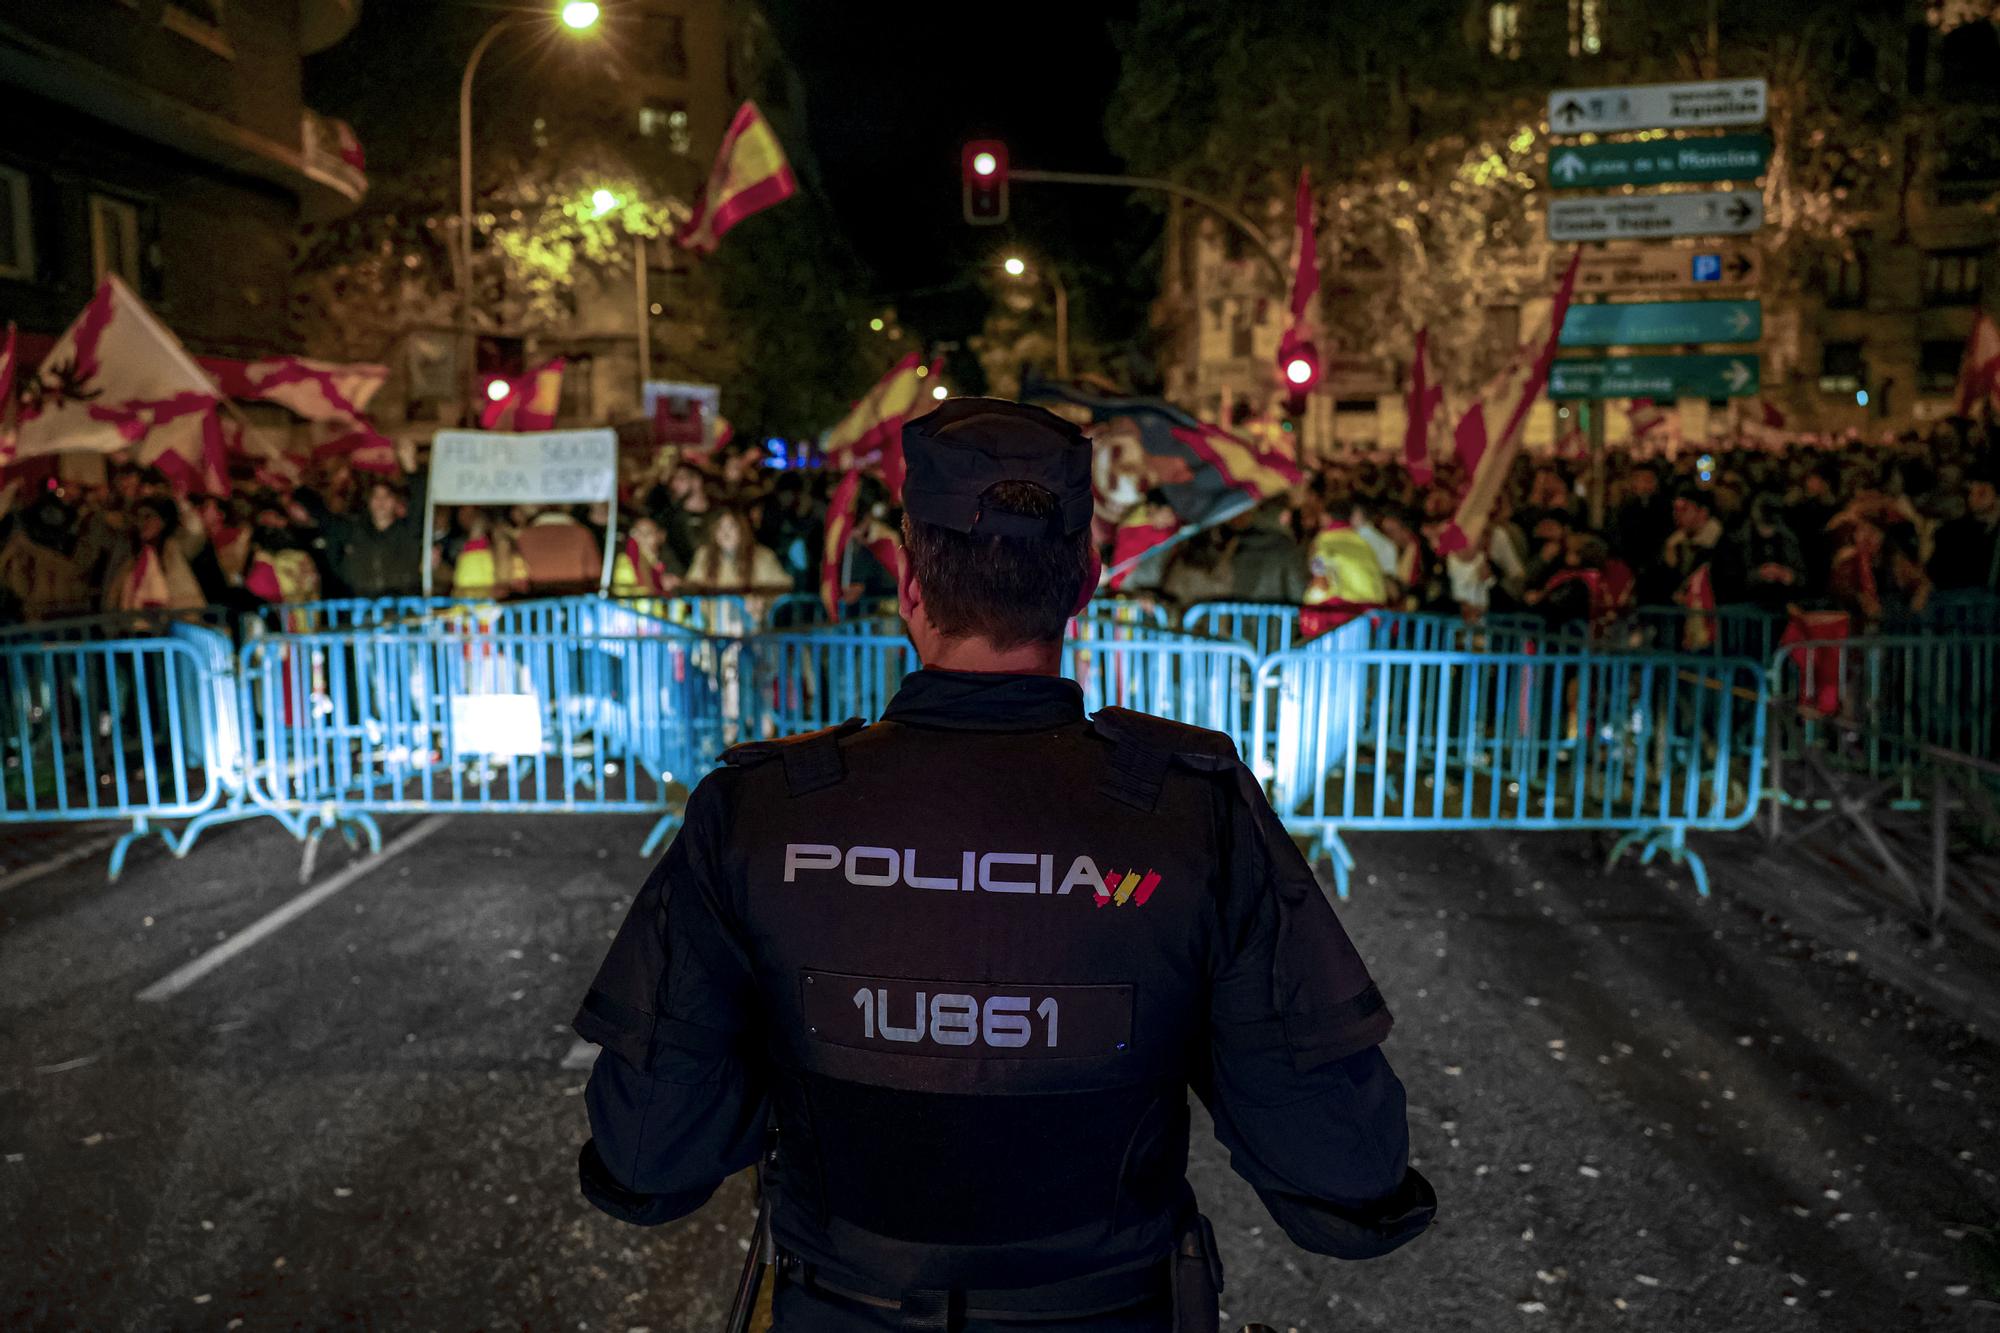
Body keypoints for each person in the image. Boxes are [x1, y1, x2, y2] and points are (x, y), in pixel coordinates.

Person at [572, 398, 1433, 1332]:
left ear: (907, 582)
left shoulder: (759, 810)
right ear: (1085, 580)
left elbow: (647, 1155)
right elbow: (1345, 1170)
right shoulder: (1192, 814)